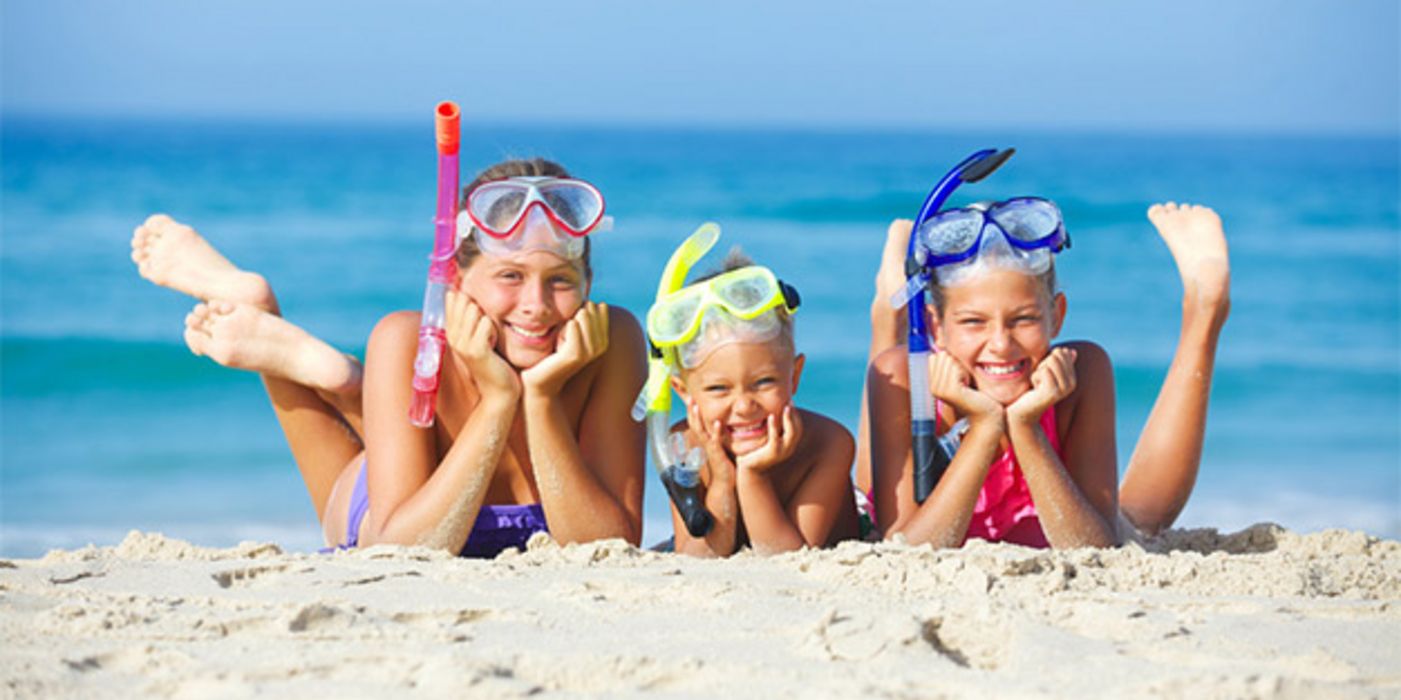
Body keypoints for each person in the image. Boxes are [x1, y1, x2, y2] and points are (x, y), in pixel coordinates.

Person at [130, 159, 647, 556]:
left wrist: (539, 399)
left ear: (588, 285)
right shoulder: (406, 340)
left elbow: (606, 547)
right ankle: (268, 319)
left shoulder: (612, 341)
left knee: (387, 426)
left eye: (560, 281)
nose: (536, 306)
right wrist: (496, 401)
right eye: (510, 277)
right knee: (356, 489)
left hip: (428, 479)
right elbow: (404, 549)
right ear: (458, 281)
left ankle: (347, 381)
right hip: (389, 516)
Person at [861, 188, 1230, 549]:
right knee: (870, 491)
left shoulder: (1082, 370)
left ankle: (1205, 310)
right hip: (915, 422)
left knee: (1138, 524)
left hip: (1047, 504)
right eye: (974, 322)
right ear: (935, 327)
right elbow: (907, 549)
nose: (1002, 344)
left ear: (1057, 315)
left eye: (1024, 320)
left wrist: (1025, 427)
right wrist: (984, 427)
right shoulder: (911, 378)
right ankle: (888, 311)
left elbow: (1097, 547)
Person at [639, 226, 860, 556]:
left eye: (764, 382)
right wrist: (722, 483)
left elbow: (785, 559)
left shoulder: (828, 444)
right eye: (718, 388)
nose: (743, 406)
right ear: (683, 391)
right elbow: (699, 557)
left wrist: (752, 475)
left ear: (795, 375)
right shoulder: (683, 447)